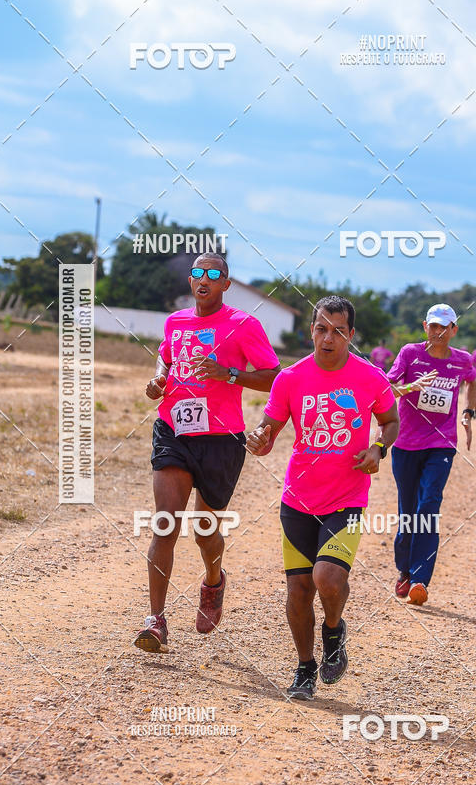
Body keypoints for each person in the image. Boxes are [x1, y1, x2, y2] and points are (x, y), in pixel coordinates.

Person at [246, 295, 400, 700]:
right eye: (320, 328)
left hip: (347, 498)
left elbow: (391, 421)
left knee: (327, 579)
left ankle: (334, 630)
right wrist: (258, 440)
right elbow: (268, 431)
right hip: (298, 498)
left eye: (336, 330)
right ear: (311, 331)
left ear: (350, 335)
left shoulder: (370, 378)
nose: (327, 337)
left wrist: (378, 449)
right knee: (298, 590)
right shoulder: (291, 378)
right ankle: (304, 668)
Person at [134, 253, 280, 653]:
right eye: (198, 272)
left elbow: (274, 379)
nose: (205, 279)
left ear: (226, 285)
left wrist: (228, 374)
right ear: (191, 280)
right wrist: (159, 379)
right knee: (166, 522)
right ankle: (156, 620)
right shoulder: (175, 321)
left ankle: (213, 579)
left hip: (221, 438)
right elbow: (166, 357)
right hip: (174, 429)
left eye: (214, 274)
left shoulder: (243, 325)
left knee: (204, 531)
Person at [386, 304, 476, 606]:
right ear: (426, 326)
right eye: (433, 326)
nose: (438, 332)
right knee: (408, 511)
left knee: (429, 505)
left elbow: (472, 381)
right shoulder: (410, 354)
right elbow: (387, 389)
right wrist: (412, 386)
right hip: (405, 444)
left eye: (445, 327)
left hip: (441, 444)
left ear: (454, 329)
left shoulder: (462, 360)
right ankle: (405, 571)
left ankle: (420, 578)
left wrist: (467, 413)